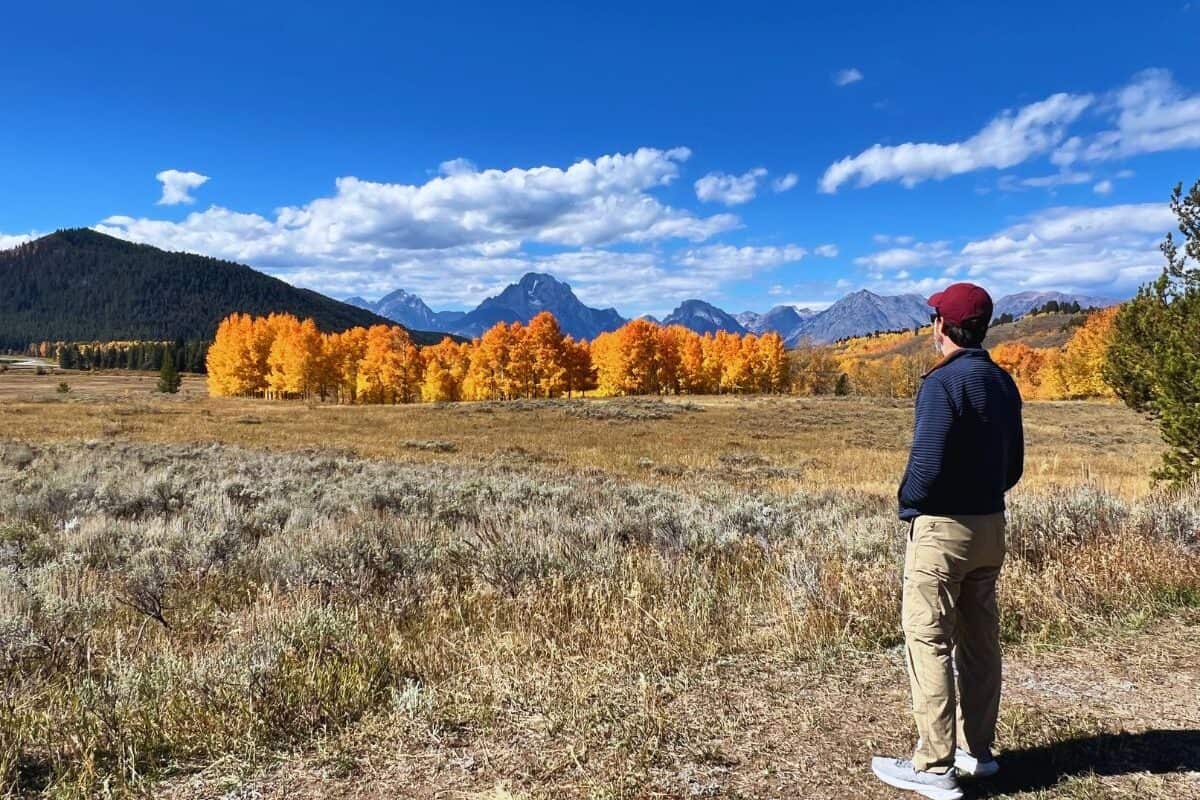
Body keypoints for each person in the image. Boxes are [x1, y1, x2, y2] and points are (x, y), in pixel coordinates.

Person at [870, 282, 1024, 800]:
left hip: (941, 529)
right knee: (979, 639)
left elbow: (927, 463)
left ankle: (934, 766)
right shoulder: (1002, 382)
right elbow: (1015, 466)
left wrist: (907, 501)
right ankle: (976, 752)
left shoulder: (941, 383)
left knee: (928, 638)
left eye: (933, 318)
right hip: (990, 526)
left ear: (942, 325)